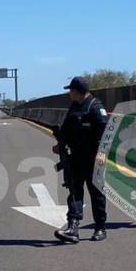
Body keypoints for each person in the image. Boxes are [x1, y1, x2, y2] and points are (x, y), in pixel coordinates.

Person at [53, 76, 108, 244]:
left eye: (70, 91)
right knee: (74, 192)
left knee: (96, 194)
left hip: (94, 159)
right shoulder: (74, 107)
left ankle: (100, 228)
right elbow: (67, 129)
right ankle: (73, 228)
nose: (69, 94)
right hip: (75, 158)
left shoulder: (95, 108)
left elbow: (106, 135)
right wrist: (60, 144)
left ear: (77, 91)